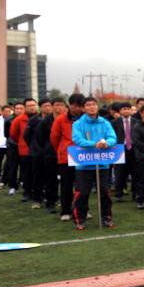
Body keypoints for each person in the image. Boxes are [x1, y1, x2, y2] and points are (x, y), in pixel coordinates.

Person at [71, 96, 117, 230]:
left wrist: (106, 143)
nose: (91, 107)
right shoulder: (78, 124)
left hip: (102, 163)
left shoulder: (105, 122)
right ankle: (80, 218)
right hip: (83, 164)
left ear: (97, 106)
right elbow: (77, 139)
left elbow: (112, 137)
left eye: (93, 104)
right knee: (82, 193)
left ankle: (107, 217)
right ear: (83, 108)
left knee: (104, 192)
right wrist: (94, 144)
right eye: (88, 105)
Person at [51, 93, 85, 221]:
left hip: (84, 156)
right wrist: (62, 150)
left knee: (82, 186)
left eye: (80, 106)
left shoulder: (87, 118)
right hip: (66, 157)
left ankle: (82, 209)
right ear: (69, 105)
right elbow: (54, 138)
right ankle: (65, 210)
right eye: (75, 106)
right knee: (66, 185)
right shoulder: (61, 119)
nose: (77, 109)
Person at [24, 98, 52, 208]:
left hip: (51, 153)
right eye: (45, 105)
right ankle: (37, 199)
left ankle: (51, 198)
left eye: (49, 105)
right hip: (37, 153)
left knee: (51, 177)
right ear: (40, 107)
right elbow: (26, 136)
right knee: (37, 177)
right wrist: (34, 147)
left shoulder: (54, 119)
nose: (48, 107)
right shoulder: (34, 120)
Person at [111, 102, 136, 201]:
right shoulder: (114, 122)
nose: (126, 110)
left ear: (131, 110)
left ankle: (135, 193)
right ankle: (119, 193)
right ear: (120, 111)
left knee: (135, 172)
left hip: (133, 149)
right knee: (120, 172)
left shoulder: (136, 121)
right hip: (120, 149)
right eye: (124, 109)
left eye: (128, 108)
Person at [3, 102, 25, 195]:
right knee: (12, 167)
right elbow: (7, 134)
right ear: (14, 109)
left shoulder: (29, 119)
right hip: (12, 147)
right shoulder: (8, 120)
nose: (19, 110)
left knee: (25, 167)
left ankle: (24, 183)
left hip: (24, 147)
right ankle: (12, 186)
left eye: (21, 108)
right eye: (17, 108)